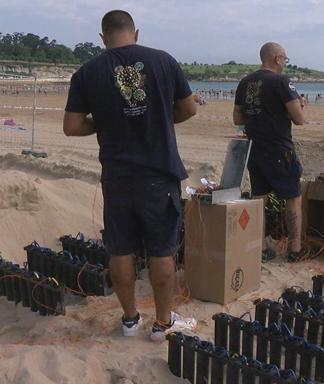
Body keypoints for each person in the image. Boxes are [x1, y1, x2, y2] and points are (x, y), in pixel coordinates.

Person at [63, 10, 198, 341]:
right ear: (135, 33)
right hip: (158, 173)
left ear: (103, 37)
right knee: (161, 250)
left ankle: (129, 320)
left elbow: (72, 126)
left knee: (120, 248)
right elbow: (190, 108)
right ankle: (163, 323)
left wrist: (105, 123)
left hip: (117, 177)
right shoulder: (163, 61)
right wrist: (160, 120)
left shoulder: (88, 72)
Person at [233, 42, 307, 262]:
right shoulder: (282, 81)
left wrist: (257, 116)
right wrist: (299, 104)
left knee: (259, 199)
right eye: (285, 59)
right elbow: (299, 119)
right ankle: (295, 249)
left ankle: (262, 247)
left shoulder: (245, 82)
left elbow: (237, 118)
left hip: (254, 148)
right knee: (293, 197)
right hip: (279, 148)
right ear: (277, 58)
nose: (285, 63)